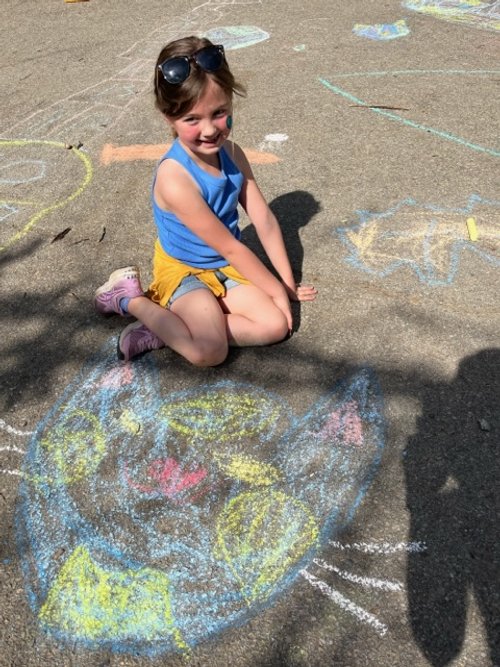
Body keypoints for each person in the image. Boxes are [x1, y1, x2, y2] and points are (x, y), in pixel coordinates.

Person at [94, 36, 317, 365]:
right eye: (192, 120)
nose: (210, 129)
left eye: (219, 113)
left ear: (229, 102)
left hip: (225, 268)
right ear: (168, 117)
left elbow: (265, 220)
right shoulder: (175, 179)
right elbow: (231, 246)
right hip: (185, 272)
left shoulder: (232, 153)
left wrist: (286, 285)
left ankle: (170, 330)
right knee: (208, 352)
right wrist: (273, 291)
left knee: (276, 326)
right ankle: (130, 300)